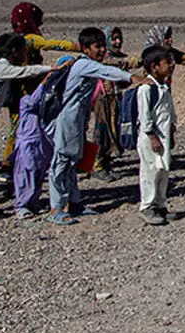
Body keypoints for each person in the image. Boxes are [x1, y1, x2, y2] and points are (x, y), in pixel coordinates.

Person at [0, 34, 68, 229]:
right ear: (14, 51)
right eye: (23, 50)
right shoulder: (0, 68)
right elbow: (25, 72)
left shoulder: (0, 67)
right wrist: (51, 69)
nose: (25, 53)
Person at [46, 28, 143, 226]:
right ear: (85, 49)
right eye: (97, 47)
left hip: (77, 121)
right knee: (61, 162)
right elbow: (107, 71)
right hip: (66, 121)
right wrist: (132, 77)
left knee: (73, 162)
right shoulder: (84, 65)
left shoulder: (87, 64)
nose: (101, 51)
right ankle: (56, 207)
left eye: (102, 46)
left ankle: (73, 202)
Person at [0, 2, 78, 179]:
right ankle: (14, 163)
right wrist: (76, 46)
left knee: (16, 126)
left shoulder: (11, 39)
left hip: (15, 91)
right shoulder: (30, 39)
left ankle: (11, 164)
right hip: (28, 91)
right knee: (26, 126)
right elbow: (52, 44)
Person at [10, 67, 61, 221]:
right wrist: (44, 84)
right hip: (28, 143)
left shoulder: (44, 103)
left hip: (42, 143)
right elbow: (33, 101)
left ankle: (32, 202)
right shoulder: (25, 101)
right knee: (25, 174)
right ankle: (22, 205)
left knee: (38, 174)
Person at [137, 45, 177, 226]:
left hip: (163, 137)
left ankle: (160, 204)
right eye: (167, 62)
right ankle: (147, 206)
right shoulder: (146, 89)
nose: (171, 65)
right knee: (150, 171)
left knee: (163, 170)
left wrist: (172, 131)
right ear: (154, 67)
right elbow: (144, 116)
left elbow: (169, 111)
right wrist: (151, 136)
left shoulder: (164, 87)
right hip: (151, 139)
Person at [90, 26, 130, 181]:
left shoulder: (118, 59)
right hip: (102, 98)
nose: (117, 41)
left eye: (119, 38)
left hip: (114, 98)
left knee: (111, 131)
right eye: (113, 38)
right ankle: (95, 166)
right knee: (101, 131)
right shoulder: (104, 60)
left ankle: (105, 164)